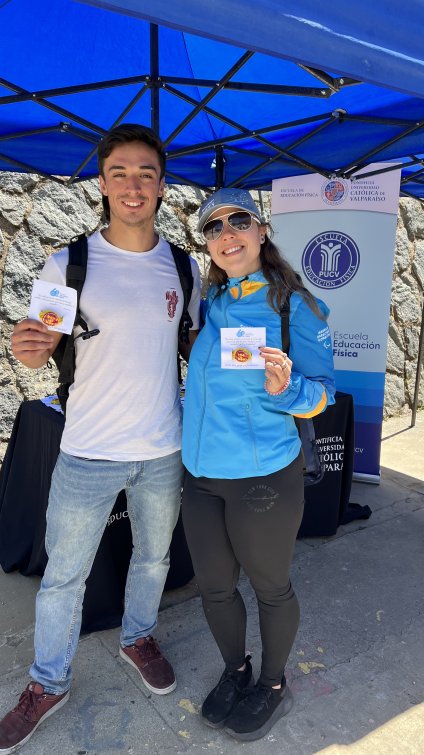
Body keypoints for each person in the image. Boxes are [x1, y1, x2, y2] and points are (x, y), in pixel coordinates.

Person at [0, 123, 200, 754]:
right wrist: (26, 346)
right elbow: (41, 348)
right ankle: (48, 682)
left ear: (163, 186)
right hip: (86, 451)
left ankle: (137, 636)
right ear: (103, 184)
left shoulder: (183, 266)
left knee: (154, 561)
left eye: (146, 173)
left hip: (163, 450)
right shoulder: (70, 262)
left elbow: (195, 343)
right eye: (120, 173)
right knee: (64, 577)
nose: (133, 185)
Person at [181, 188, 335, 742]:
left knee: (270, 588)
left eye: (239, 220)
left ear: (262, 229)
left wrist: (288, 387)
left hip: (263, 477)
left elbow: (323, 394)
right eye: (213, 226)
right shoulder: (211, 300)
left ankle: (272, 685)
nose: (227, 232)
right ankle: (235, 670)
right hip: (200, 476)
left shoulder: (298, 306)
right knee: (215, 589)